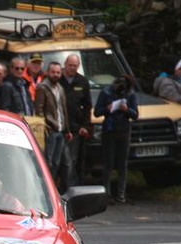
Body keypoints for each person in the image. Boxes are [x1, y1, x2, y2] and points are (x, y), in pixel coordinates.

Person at [94, 76, 139, 203]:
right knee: (108, 163)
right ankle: (106, 194)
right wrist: (107, 109)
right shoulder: (106, 92)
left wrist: (127, 109)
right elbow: (97, 112)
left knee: (122, 163)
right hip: (109, 129)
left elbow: (135, 115)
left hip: (124, 130)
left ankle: (121, 193)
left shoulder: (131, 94)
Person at [35, 61, 72, 183]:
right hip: (50, 130)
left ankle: (51, 186)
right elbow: (39, 109)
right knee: (48, 162)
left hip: (60, 130)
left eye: (58, 72)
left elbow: (63, 109)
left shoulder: (60, 88)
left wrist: (67, 129)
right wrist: (44, 127)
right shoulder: (43, 87)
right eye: (53, 72)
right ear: (48, 72)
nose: (55, 75)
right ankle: (45, 186)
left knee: (57, 162)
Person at [59, 54, 92, 189]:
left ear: (78, 66)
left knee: (71, 161)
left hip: (75, 128)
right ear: (65, 64)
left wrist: (85, 126)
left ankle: (70, 189)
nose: (72, 68)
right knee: (58, 161)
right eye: (70, 65)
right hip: (59, 127)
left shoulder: (83, 81)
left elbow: (88, 106)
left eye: (75, 66)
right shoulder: (57, 79)